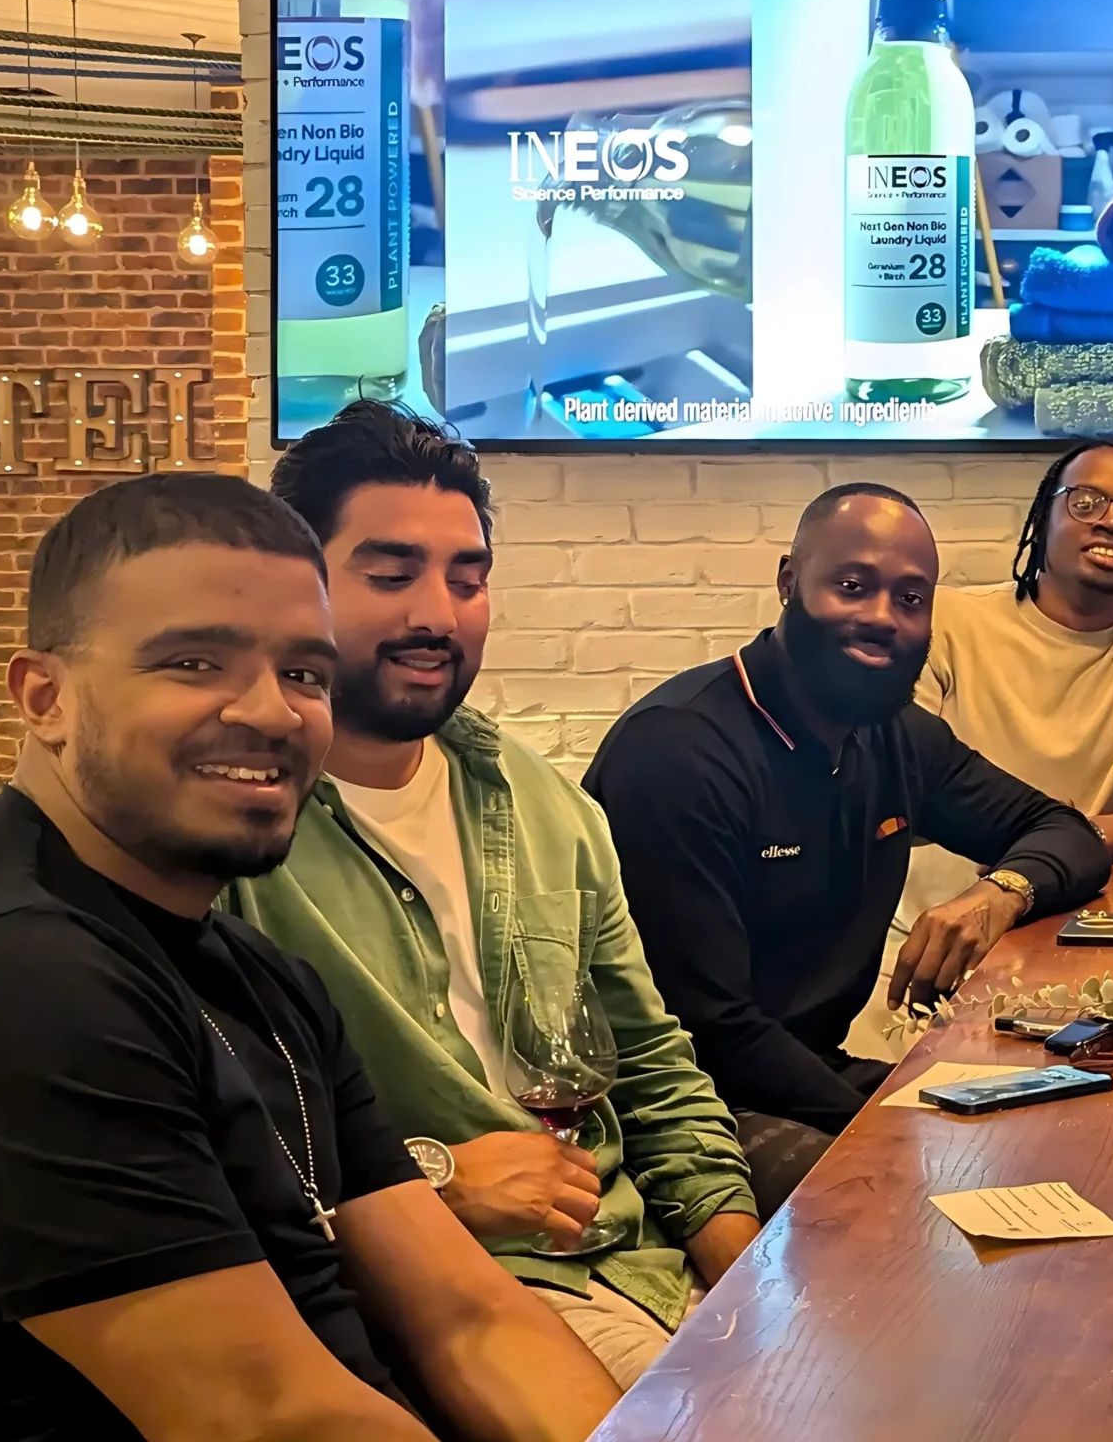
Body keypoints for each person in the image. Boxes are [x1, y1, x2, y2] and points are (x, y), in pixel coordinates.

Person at [0, 473, 618, 1441]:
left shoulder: (257, 975)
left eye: (305, 673)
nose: (273, 713)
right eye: (194, 661)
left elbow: (468, 1317)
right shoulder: (0, 977)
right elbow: (265, 1418)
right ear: (45, 696)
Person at [225, 402, 759, 1389]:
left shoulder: (550, 806)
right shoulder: (232, 833)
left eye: (466, 579)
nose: (437, 613)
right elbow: (227, 1155)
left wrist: (757, 1284)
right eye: (392, 575)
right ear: (296, 586)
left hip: (637, 1264)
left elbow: (652, 1068)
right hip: (445, 1291)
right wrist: (435, 1178)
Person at [585, 483, 1110, 1155]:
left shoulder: (897, 737)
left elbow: (1067, 834)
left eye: (911, 598)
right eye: (853, 586)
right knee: (924, 1177)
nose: (883, 617)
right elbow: (708, 1032)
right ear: (789, 582)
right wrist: (898, 1130)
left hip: (802, 1073)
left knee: (1051, 1129)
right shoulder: (677, 752)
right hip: (674, 1108)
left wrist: (999, 894)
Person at [847, 443, 1113, 1062]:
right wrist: (1047, 841)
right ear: (1043, 518)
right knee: (895, 1109)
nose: (1111, 522)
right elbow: (894, 787)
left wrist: (1062, 845)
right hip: (920, 943)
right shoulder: (948, 620)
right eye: (1086, 502)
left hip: (1066, 946)